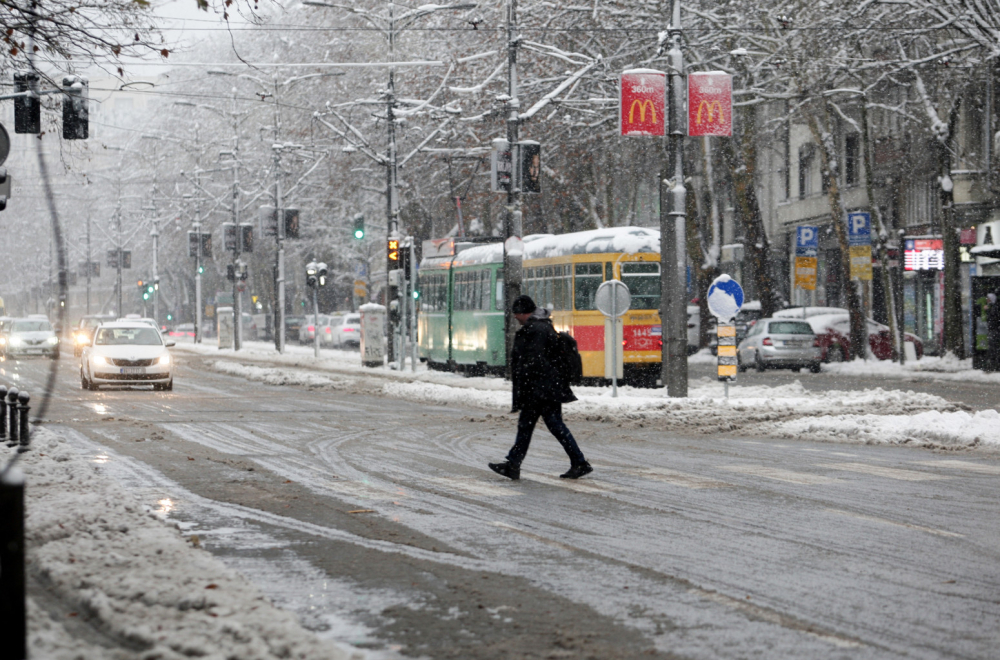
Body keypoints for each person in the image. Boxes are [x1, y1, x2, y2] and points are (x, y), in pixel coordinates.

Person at [489, 295, 592, 480]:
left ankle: (579, 462)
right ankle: (514, 464)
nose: (515, 317)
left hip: (540, 390)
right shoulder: (542, 326)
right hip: (544, 388)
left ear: (523, 312)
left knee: (543, 426)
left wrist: (530, 385)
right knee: (537, 427)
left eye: (516, 314)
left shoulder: (536, 329)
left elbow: (534, 361)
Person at [988, 293, 1000, 371]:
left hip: (994, 330)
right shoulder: (994, 307)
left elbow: (993, 318)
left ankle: (994, 365)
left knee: (994, 348)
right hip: (994, 330)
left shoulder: (994, 308)